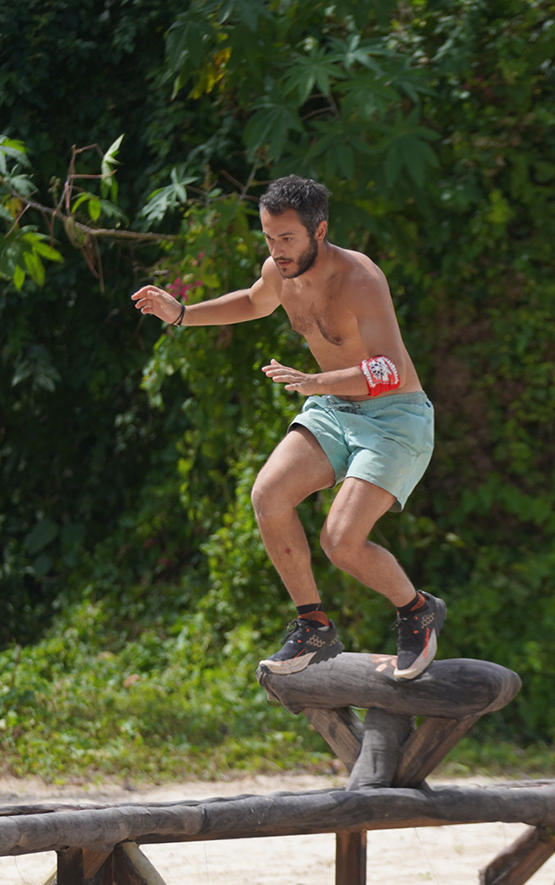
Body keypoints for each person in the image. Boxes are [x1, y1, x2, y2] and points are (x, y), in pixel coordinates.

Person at [130, 175, 442, 681]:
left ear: (320, 230)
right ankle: (314, 625)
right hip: (334, 407)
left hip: (395, 416)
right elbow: (255, 302)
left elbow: (391, 372)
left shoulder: (360, 278)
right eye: (269, 238)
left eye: (287, 239)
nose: (276, 251)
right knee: (268, 495)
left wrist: (314, 379)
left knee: (341, 543)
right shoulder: (280, 270)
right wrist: (182, 314)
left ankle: (417, 610)